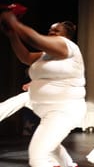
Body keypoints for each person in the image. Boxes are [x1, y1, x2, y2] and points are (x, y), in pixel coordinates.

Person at [0, 11, 86, 167]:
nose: (51, 32)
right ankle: (68, 164)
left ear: (65, 36)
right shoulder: (44, 55)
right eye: (50, 30)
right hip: (45, 107)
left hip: (64, 110)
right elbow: (25, 57)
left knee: (38, 156)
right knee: (50, 144)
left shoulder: (68, 46)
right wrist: (13, 35)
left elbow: (35, 39)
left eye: (56, 30)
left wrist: (15, 23)